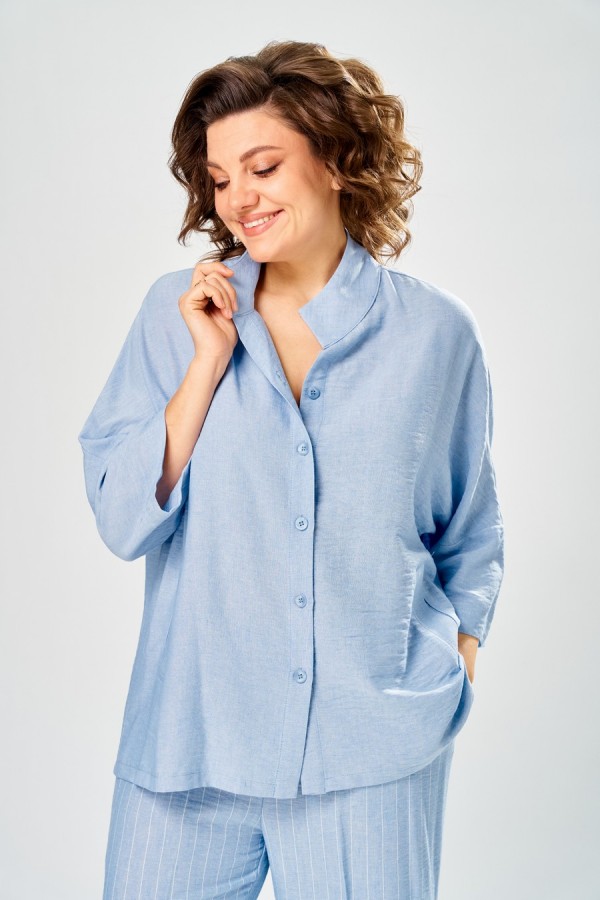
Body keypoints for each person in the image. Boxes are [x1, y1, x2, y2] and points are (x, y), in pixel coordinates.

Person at [78, 39, 505, 900]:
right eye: (220, 177)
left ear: (337, 160)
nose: (239, 197)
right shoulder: (175, 318)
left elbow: (469, 530)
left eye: (263, 167)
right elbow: (123, 520)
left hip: (371, 752)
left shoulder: (436, 336)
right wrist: (206, 365)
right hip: (190, 747)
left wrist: (454, 661)